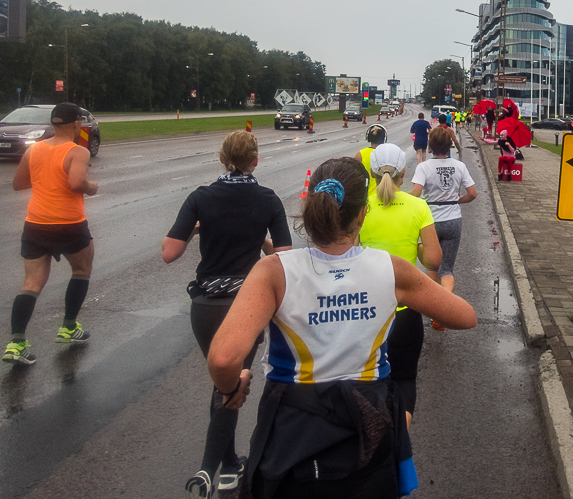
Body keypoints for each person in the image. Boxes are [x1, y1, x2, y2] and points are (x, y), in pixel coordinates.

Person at [207, 157, 476, 498]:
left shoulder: (274, 270)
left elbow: (223, 358)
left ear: (310, 205)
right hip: (368, 426)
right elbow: (466, 316)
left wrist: (231, 388)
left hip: (292, 427)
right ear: (362, 213)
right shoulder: (390, 269)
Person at [161, 130, 292, 498]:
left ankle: (230, 464)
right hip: (245, 304)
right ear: (256, 160)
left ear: (222, 159)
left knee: (225, 383)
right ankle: (209, 470)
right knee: (230, 386)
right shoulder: (267, 200)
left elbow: (169, 253)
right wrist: (259, 239)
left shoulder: (200, 198)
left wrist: (196, 231)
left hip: (204, 306)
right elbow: (283, 255)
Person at [4, 103, 98, 367]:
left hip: (35, 223)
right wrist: (91, 187)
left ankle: (17, 342)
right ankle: (69, 326)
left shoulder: (35, 149)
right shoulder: (77, 151)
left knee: (32, 282)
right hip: (68, 222)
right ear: (77, 124)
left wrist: (45, 176)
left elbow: (18, 184)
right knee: (81, 269)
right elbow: (77, 183)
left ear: (53, 123)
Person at [359, 143, 442, 427]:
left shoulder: (361, 208)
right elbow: (433, 259)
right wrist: (416, 247)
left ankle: (370, 441)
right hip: (404, 311)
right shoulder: (418, 206)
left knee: (365, 381)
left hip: (364, 310)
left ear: (370, 173)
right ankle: (399, 442)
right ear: (403, 173)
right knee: (404, 378)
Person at [410, 128, 476, 330]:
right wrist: (457, 200)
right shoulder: (459, 166)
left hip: (430, 220)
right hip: (453, 219)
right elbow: (472, 193)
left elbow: (415, 193)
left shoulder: (424, 167)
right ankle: (446, 311)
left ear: (430, 146)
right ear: (449, 146)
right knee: (446, 268)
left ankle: (434, 311)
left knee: (432, 267)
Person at [358, 124, 388, 196]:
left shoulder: (360, 154)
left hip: (368, 195)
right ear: (384, 138)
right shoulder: (388, 153)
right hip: (386, 194)